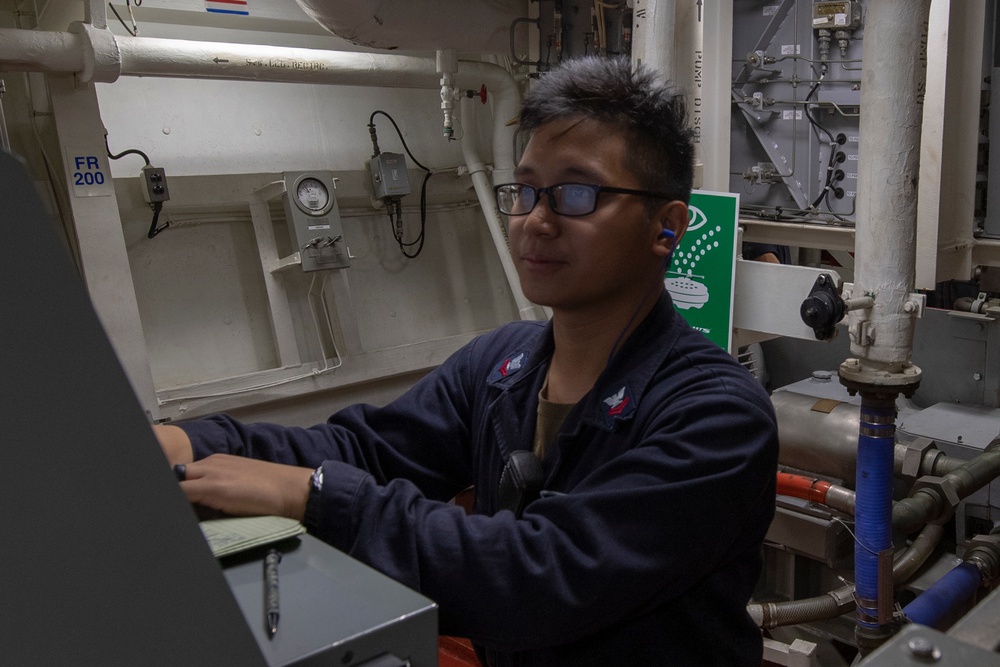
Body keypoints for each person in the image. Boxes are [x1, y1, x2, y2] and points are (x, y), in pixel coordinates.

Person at [156, 55, 778, 666]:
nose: (536, 220)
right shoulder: (500, 367)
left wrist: (321, 501)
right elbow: (366, 450)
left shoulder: (717, 415)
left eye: (576, 193)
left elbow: (542, 576)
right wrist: (197, 443)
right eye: (526, 190)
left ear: (666, 229)